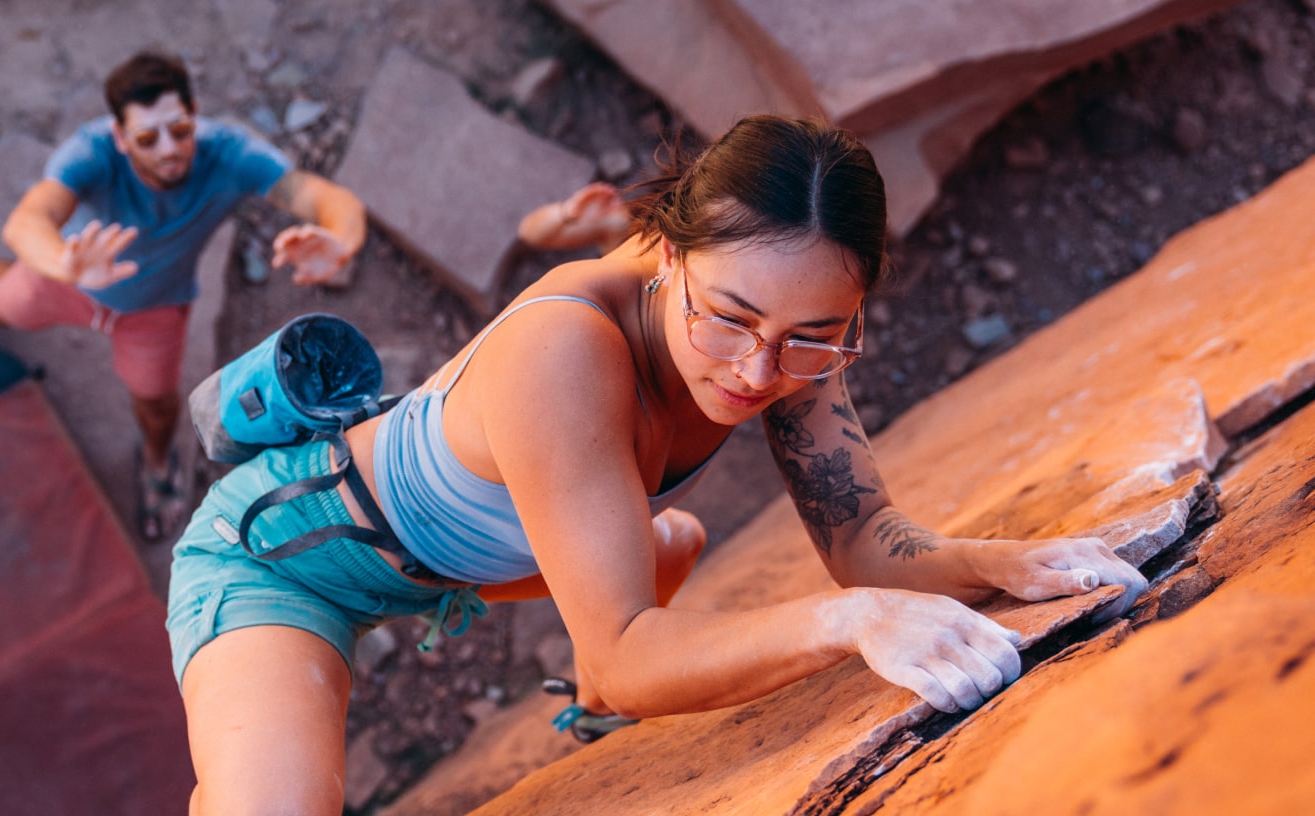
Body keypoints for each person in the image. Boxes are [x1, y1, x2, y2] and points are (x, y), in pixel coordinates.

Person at [165, 115, 1147, 814]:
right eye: (730, 319)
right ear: (668, 257)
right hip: (286, 561)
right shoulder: (562, 354)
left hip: (462, 555)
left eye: (814, 336)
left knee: (667, 541)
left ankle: (588, 711)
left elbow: (862, 540)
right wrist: (847, 622)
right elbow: (627, 653)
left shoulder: (780, 321)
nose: (758, 371)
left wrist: (1002, 562)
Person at [0, 50, 368, 540]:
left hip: (154, 308)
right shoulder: (91, 152)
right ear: (120, 137)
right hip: (67, 278)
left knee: (157, 402)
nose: (169, 149)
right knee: (2, 302)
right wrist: (65, 264)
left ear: (194, 114)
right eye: (146, 138)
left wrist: (341, 241)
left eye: (180, 129)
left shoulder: (229, 154)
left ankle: (158, 461)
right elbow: (26, 222)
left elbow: (326, 198)